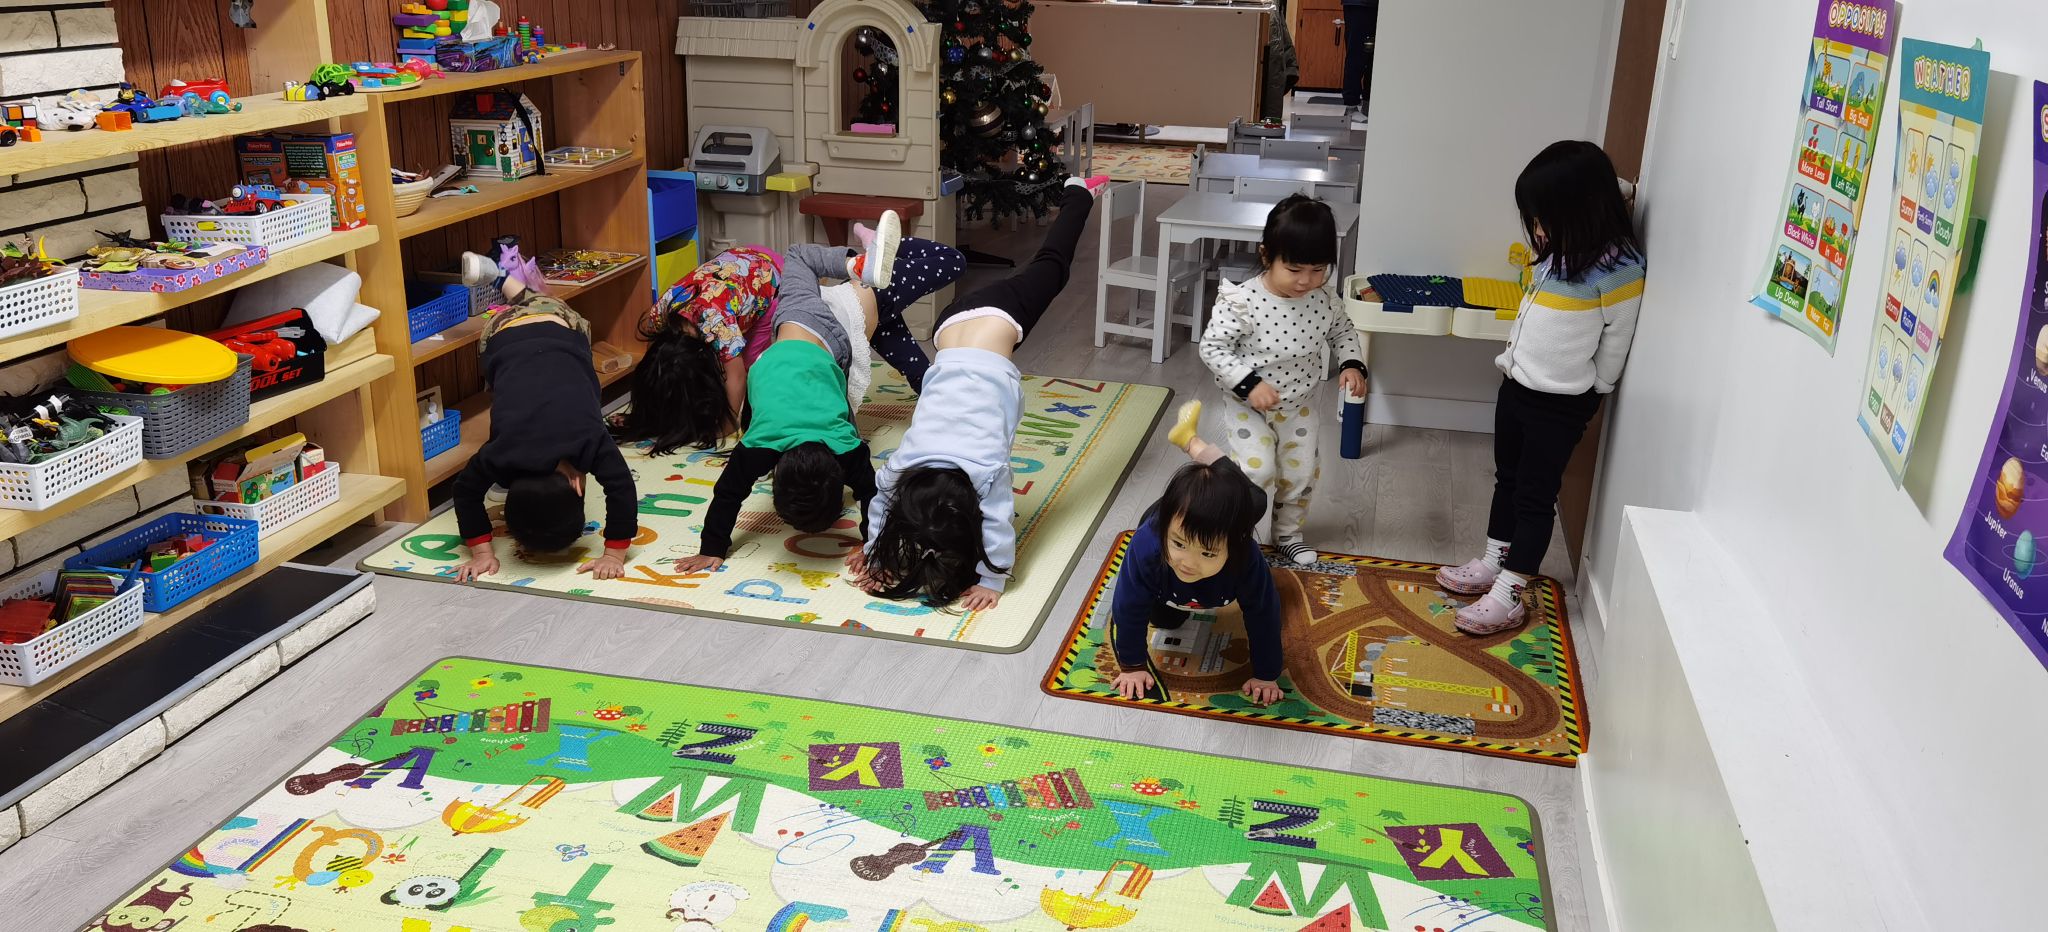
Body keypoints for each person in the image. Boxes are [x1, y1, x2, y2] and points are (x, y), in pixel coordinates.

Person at [853, 175, 1111, 610]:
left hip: (997, 319)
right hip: (946, 337)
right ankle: (873, 254)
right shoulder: (903, 468)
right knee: (1039, 268)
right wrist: (873, 551)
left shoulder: (985, 473)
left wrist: (994, 580)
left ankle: (1078, 191)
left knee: (1053, 263)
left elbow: (997, 523)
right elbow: (880, 503)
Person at [1438, 140, 1645, 635]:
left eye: (1542, 219)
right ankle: (1493, 561)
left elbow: (1616, 336)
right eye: (1533, 219)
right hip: (1516, 384)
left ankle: (1511, 592)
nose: (1536, 229)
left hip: (1561, 403)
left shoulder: (1618, 270)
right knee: (1505, 479)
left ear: (1582, 212)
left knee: (1534, 496)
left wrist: (1599, 385)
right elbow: (1608, 187)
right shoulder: (1564, 246)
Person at [674, 215, 959, 573]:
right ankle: (859, 262)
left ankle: (863, 262)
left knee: (804, 262)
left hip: (826, 335)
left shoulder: (825, 443)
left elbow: (729, 493)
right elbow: (872, 494)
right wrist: (873, 545)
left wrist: (712, 548)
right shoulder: (779, 444)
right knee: (921, 377)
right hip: (812, 335)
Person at [616, 238, 965, 455]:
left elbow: (736, 378)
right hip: (740, 263)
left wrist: (727, 428)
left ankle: (886, 249)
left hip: (771, 276)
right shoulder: (661, 315)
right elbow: (656, 360)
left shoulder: (719, 326)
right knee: (916, 366)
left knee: (761, 363)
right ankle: (948, 410)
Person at [1198, 194, 1368, 566]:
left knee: (1300, 473)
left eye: (1318, 269)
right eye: (1294, 269)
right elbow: (1212, 348)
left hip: (1299, 405)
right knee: (1258, 470)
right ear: (1266, 256)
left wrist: (1352, 364)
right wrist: (1249, 384)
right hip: (1248, 406)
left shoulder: (1323, 299)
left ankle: (1287, 535)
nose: (1306, 281)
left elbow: (1342, 332)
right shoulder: (1243, 301)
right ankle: (1239, 535)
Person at [447, 254, 636, 583]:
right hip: (499, 339)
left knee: (540, 304)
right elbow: (464, 492)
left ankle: (505, 280)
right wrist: (483, 552)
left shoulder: (589, 441)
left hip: (564, 330)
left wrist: (614, 554)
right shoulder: (501, 454)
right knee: (514, 371)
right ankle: (502, 279)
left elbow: (622, 488)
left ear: (578, 486)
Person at [1109, 400, 1286, 706]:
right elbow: (1128, 606)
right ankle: (1191, 451)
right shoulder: (1148, 546)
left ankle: (1192, 442)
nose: (1188, 563)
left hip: (1224, 524)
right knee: (1164, 618)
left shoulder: (1247, 558)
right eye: (1179, 545)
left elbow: (1264, 613)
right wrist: (1133, 666)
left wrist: (1267, 674)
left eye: (1207, 554)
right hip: (1167, 533)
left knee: (1254, 499)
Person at [1341, 0, 1379, 125]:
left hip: (1376, 5)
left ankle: (1368, 103)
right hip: (1358, 4)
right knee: (1357, 53)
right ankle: (1351, 106)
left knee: (1374, 56)